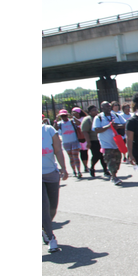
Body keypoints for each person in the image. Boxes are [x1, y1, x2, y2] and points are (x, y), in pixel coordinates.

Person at [43, 118, 69, 253]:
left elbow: (58, 150)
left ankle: (44, 227)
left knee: (52, 207)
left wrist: (63, 168)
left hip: (51, 173)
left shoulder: (48, 130)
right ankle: (51, 238)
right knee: (43, 205)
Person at [92, 101, 127, 185]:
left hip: (117, 143)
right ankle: (114, 176)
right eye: (106, 107)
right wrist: (108, 126)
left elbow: (125, 124)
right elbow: (97, 130)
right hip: (106, 144)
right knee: (110, 160)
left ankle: (114, 174)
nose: (108, 108)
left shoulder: (116, 115)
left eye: (109, 106)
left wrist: (117, 126)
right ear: (102, 108)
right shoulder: (98, 117)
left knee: (117, 160)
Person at [55, 109, 83, 178]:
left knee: (75, 156)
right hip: (66, 142)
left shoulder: (72, 121)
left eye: (65, 115)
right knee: (71, 157)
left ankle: (79, 171)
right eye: (62, 116)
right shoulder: (60, 123)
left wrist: (72, 117)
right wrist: (56, 119)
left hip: (74, 141)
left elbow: (79, 123)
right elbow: (55, 128)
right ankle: (74, 171)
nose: (64, 117)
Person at [84, 105, 109, 177]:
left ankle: (105, 170)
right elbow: (85, 131)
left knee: (103, 156)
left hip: (101, 140)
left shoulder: (99, 117)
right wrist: (88, 142)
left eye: (96, 109)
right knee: (96, 155)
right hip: (93, 140)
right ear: (89, 112)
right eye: (93, 110)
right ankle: (92, 167)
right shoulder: (88, 119)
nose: (96, 111)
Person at [72, 107, 91, 175]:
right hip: (77, 138)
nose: (74, 114)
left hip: (84, 137)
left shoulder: (84, 118)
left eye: (75, 113)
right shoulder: (72, 120)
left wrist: (73, 118)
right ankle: (80, 167)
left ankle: (86, 166)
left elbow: (79, 123)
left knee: (85, 152)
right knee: (80, 153)